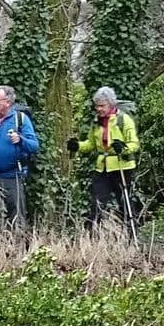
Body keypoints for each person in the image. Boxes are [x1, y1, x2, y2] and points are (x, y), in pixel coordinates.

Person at [70, 86, 139, 233]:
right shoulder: (96, 123)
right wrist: (77, 146)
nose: (99, 109)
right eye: (97, 106)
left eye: (102, 106)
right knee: (97, 204)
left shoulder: (123, 120)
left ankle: (131, 237)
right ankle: (92, 239)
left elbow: (134, 144)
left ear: (111, 104)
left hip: (122, 167)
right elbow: (90, 144)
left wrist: (123, 148)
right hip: (102, 168)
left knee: (125, 204)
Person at [0, 85, 38, 229]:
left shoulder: (20, 119)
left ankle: (17, 248)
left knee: (16, 217)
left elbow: (34, 146)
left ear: (8, 102)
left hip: (13, 176)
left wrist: (20, 139)